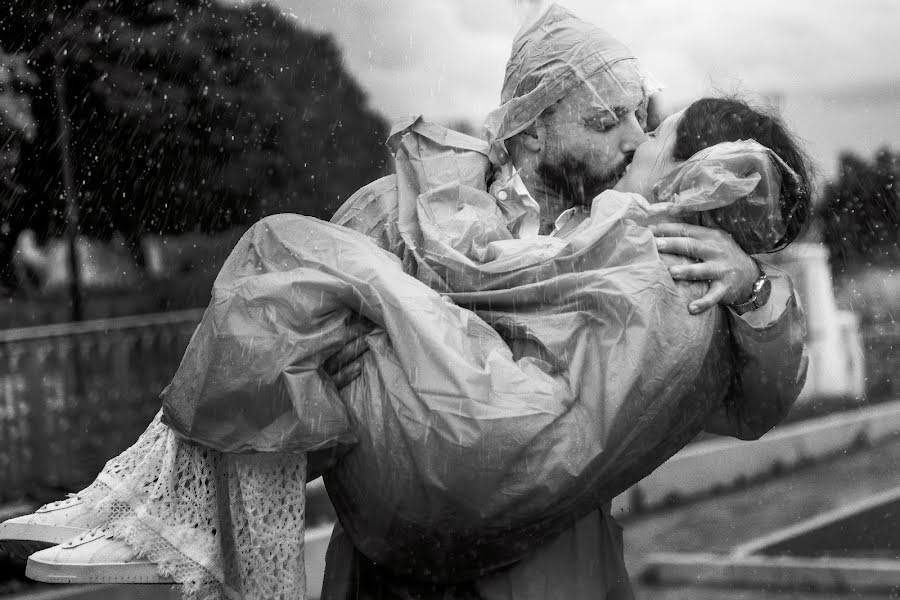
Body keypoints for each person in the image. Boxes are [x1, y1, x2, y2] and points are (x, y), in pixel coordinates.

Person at [0, 5, 808, 600]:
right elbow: (282, 354)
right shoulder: (399, 208)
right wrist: (335, 377)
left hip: (549, 573)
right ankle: (154, 515)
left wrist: (761, 290)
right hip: (390, 569)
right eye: (610, 118)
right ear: (532, 119)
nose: (634, 137)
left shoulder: (676, 259)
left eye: (642, 119)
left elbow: (753, 403)